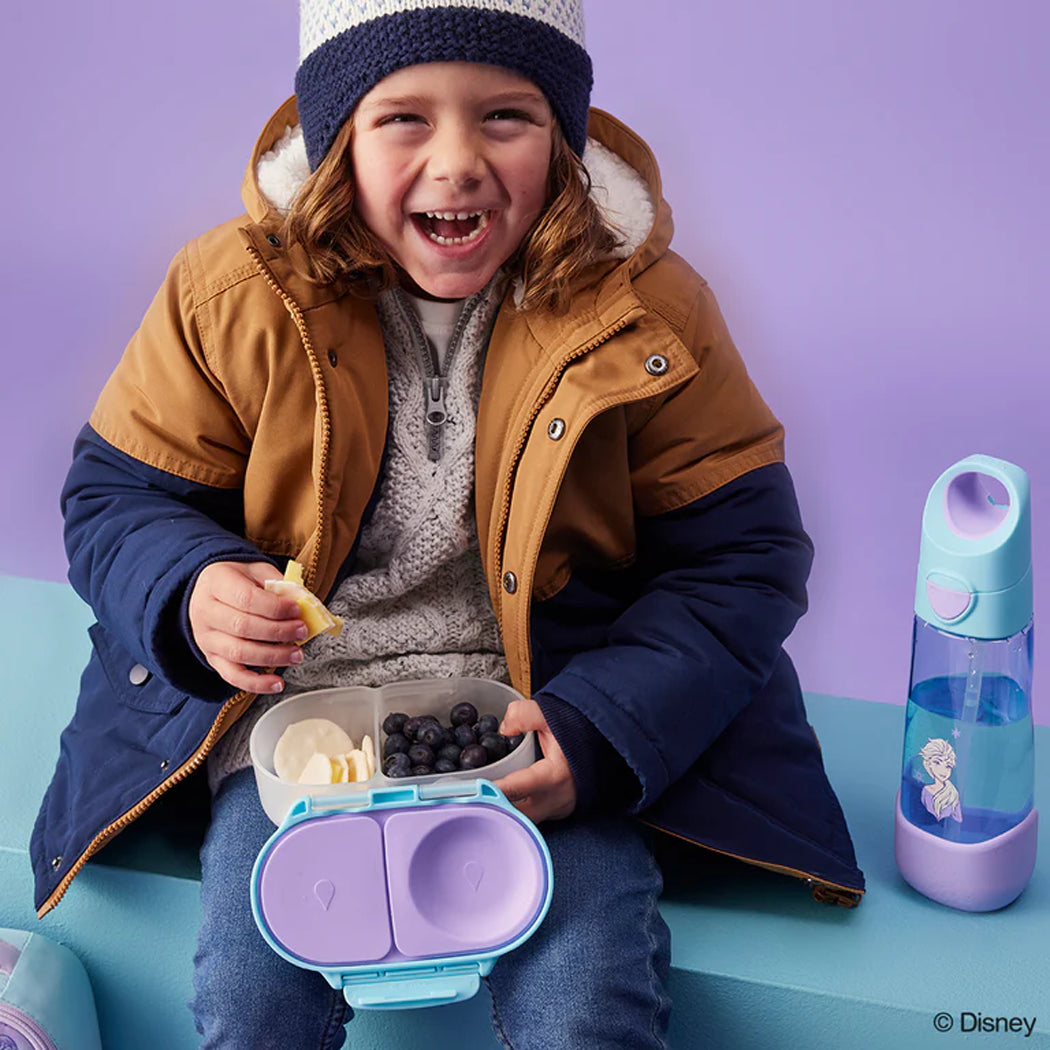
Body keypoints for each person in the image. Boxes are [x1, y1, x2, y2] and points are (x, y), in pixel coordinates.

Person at [32, 2, 865, 1046]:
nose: (460, 162)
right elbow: (116, 499)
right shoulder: (233, 295)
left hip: (542, 720)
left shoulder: (646, 308)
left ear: (563, 133)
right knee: (252, 1002)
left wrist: (606, 726)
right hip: (302, 731)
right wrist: (191, 587)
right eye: (406, 119)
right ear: (338, 137)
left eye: (508, 115)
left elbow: (744, 556)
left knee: (588, 1001)